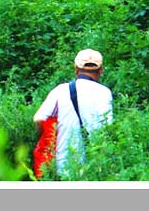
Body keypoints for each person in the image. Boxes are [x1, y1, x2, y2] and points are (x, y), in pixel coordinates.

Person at [32, 49, 113, 178]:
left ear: (76, 69)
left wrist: (48, 138)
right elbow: (107, 129)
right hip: (94, 164)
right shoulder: (105, 93)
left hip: (63, 163)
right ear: (101, 70)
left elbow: (39, 119)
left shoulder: (61, 90)